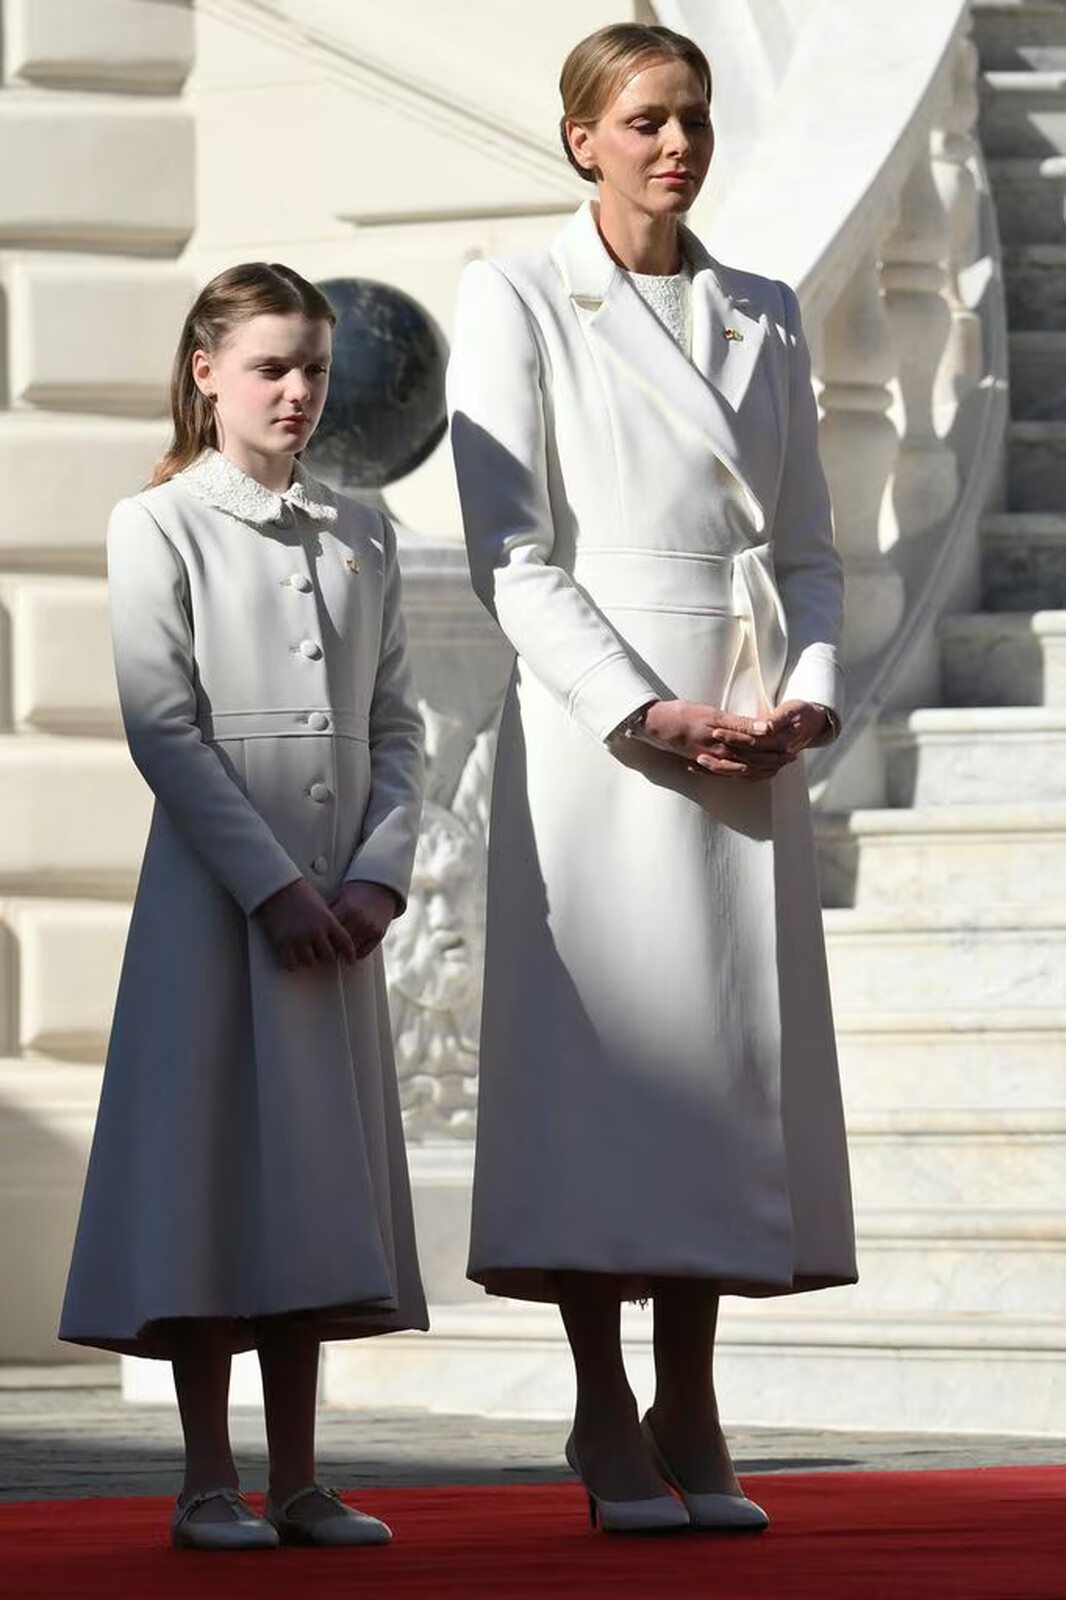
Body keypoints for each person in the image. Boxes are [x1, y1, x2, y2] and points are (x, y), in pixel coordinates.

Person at [447, 22, 856, 1535]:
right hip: (601, 738)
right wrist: (644, 708)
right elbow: (510, 552)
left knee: (719, 1074)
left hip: (746, 723)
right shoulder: (516, 294)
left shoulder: (765, 310)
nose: (676, 144)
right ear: (582, 139)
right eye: (643, 121)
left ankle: (691, 1399)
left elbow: (809, 551)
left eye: (693, 116)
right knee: (598, 1072)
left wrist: (805, 698)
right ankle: (601, 1405)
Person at [60, 262, 427, 1550]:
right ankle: (208, 1477)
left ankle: (302, 1479)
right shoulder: (156, 523)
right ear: (207, 371)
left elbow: (397, 724)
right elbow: (162, 727)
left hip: (341, 910)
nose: (297, 390)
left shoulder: (364, 531)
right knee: (214, 1175)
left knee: (309, 1181)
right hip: (217, 911)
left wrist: (379, 871)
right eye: (272, 365)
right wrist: (272, 888)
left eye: (314, 367)